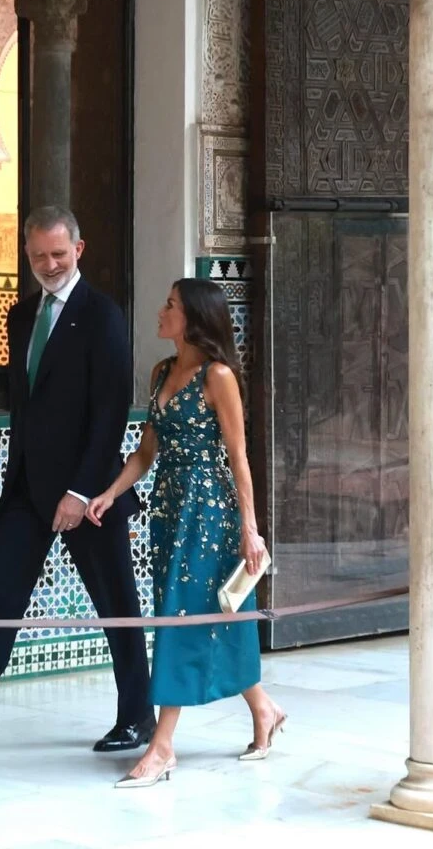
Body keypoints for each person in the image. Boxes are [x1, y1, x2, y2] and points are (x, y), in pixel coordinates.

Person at [0, 206, 154, 764]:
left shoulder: (104, 316)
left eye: (59, 254)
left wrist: (83, 492)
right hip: (26, 491)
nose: (49, 264)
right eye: (39, 255)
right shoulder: (19, 316)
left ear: (79, 251)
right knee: (2, 602)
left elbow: (109, 413)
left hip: (90, 494)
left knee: (116, 603)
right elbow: (28, 408)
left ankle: (137, 717)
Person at [86, 278, 286, 788]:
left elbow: (238, 458)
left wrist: (251, 530)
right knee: (220, 612)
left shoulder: (218, 376)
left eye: (170, 305)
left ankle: (163, 744)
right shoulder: (160, 373)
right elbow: (146, 453)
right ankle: (264, 710)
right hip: (170, 512)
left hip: (211, 515)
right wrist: (109, 493)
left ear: (194, 318)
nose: (160, 311)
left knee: (180, 616)